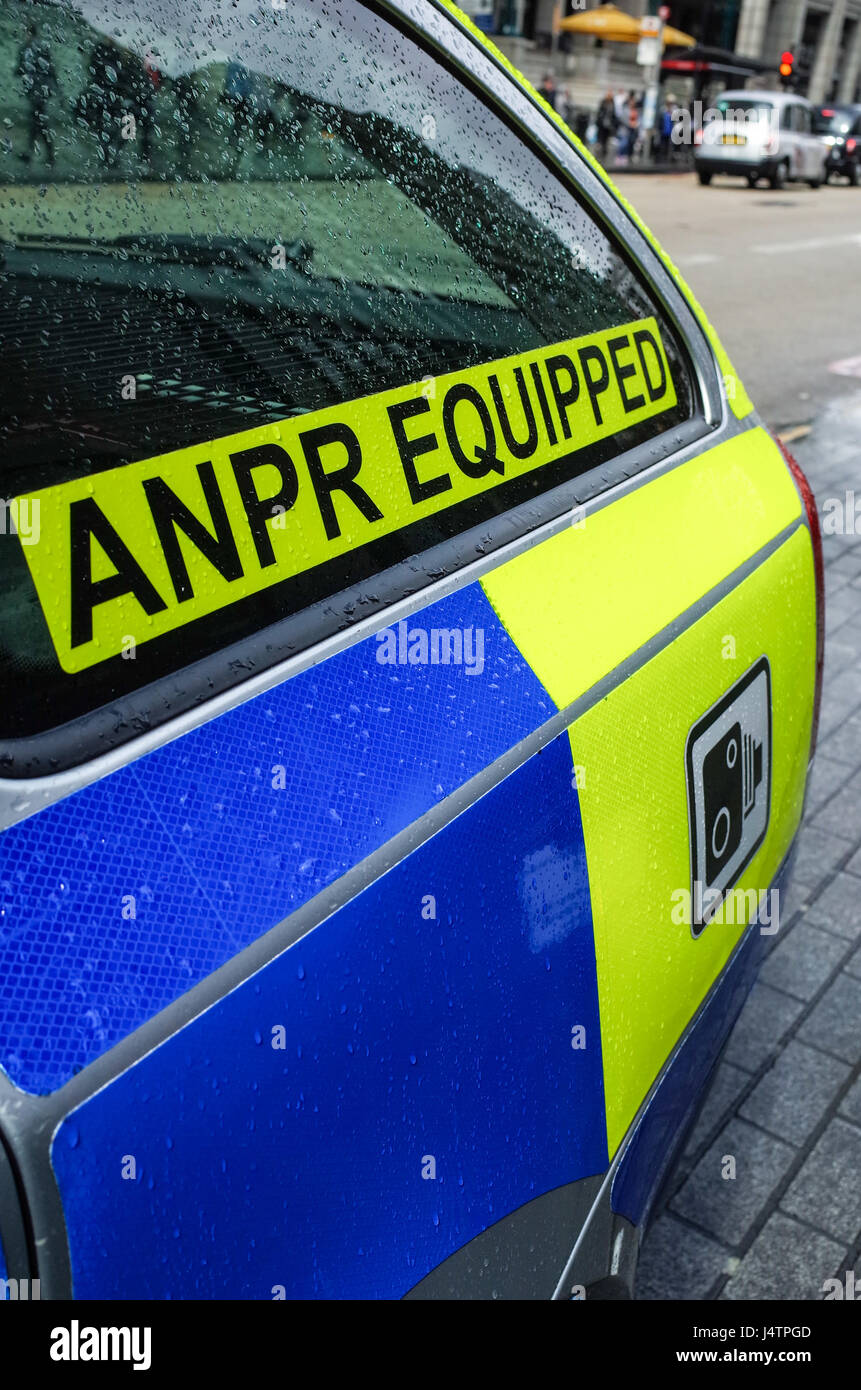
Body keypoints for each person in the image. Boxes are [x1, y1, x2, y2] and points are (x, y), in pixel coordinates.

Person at [17, 23, 57, 166]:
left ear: (29, 33)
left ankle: (44, 155)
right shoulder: (35, 47)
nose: (23, 35)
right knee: (38, 123)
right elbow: (50, 69)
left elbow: (45, 69)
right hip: (40, 91)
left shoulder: (32, 48)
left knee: (39, 123)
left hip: (38, 91)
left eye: (25, 32)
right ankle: (41, 154)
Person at [596, 90, 616, 160]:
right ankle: (599, 152)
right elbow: (600, 112)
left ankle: (604, 153)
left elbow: (613, 114)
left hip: (608, 125)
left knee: (606, 139)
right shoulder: (603, 102)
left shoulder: (613, 103)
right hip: (602, 123)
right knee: (601, 138)